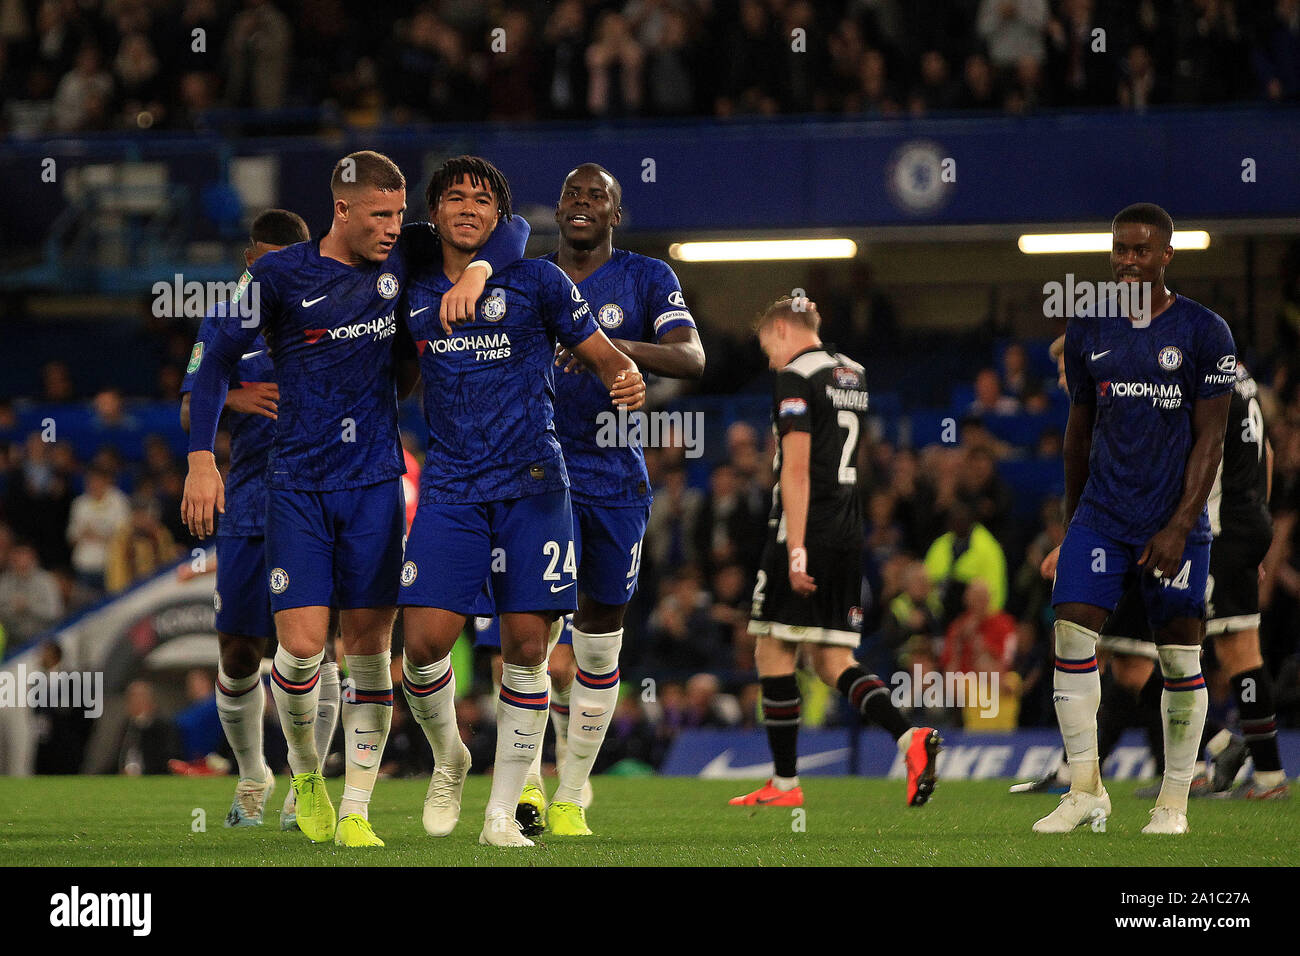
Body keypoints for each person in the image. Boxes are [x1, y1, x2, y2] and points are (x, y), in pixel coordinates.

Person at [181, 151, 528, 848]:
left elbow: (510, 230)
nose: (396, 228)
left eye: (402, 214)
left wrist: (484, 268)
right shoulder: (279, 275)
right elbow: (216, 358)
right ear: (341, 211)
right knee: (301, 651)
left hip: (373, 482)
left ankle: (356, 808)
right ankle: (305, 774)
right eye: (381, 215)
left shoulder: (403, 254)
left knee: (369, 651)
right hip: (298, 486)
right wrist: (199, 460)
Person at [395, 155, 645, 847]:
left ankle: (502, 814)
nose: (468, 207)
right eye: (454, 197)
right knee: (422, 648)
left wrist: (627, 380)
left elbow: (604, 356)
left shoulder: (538, 279)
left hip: (535, 486)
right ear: (435, 213)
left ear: (497, 215)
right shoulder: (410, 287)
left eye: (482, 198)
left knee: (528, 649)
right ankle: (450, 756)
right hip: (450, 489)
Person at [504, 162, 704, 837]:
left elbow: (692, 357)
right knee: (530, 639)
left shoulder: (648, 278)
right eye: (572, 194)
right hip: (535, 479)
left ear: (616, 214)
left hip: (616, 483)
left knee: (597, 644)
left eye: (599, 196)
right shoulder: (528, 276)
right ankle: (527, 786)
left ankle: (573, 790)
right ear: (556, 210)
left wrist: (609, 350)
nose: (583, 203)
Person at [1036, 203, 1236, 836]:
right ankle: (1086, 789)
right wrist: (1071, 525)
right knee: (1071, 632)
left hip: (1171, 520)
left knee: (1178, 657)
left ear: (1166, 256)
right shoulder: (1090, 325)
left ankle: (1173, 802)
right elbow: (1078, 431)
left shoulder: (1206, 332)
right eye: (1120, 249)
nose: (1127, 261)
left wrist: (1180, 523)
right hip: (1101, 515)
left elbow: (1211, 440)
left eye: (1141, 251)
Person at [731, 296, 941, 809]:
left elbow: (798, 469)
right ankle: (908, 737)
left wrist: (795, 549)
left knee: (772, 648)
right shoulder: (853, 373)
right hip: (848, 532)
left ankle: (785, 784)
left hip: (803, 530)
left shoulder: (796, 377)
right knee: (831, 659)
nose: (768, 359)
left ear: (781, 328)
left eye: (766, 345)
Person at [179, 208, 345, 829]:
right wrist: (233, 396)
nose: (268, 272)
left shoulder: (332, 312)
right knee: (237, 648)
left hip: (318, 499)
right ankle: (253, 775)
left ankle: (311, 781)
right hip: (248, 503)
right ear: (250, 261)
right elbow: (189, 405)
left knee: (310, 650)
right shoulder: (228, 321)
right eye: (261, 262)